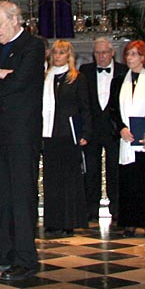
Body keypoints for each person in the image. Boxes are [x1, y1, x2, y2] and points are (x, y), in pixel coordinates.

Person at [0, 1, 46, 283]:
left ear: (15, 20)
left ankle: (25, 259)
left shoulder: (32, 46)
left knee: (21, 196)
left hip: (21, 135)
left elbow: (20, 82)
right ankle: (1, 251)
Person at [109, 39, 145, 238]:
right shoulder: (119, 81)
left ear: (143, 57)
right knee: (128, 183)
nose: (129, 58)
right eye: (128, 54)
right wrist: (121, 129)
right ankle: (129, 222)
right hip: (127, 139)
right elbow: (113, 109)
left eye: (134, 54)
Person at [41, 40, 91, 236]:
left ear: (69, 56)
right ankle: (53, 221)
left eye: (62, 53)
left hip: (69, 133)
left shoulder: (77, 78)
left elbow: (85, 107)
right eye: (55, 52)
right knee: (51, 179)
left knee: (69, 179)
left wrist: (86, 133)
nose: (58, 56)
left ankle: (69, 221)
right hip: (49, 133)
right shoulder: (46, 77)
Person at [79, 37, 126, 222]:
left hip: (114, 129)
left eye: (104, 52)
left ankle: (117, 209)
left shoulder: (123, 71)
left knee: (115, 170)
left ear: (112, 52)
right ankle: (91, 210)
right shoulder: (85, 71)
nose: (101, 56)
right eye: (97, 53)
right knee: (91, 171)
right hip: (92, 129)